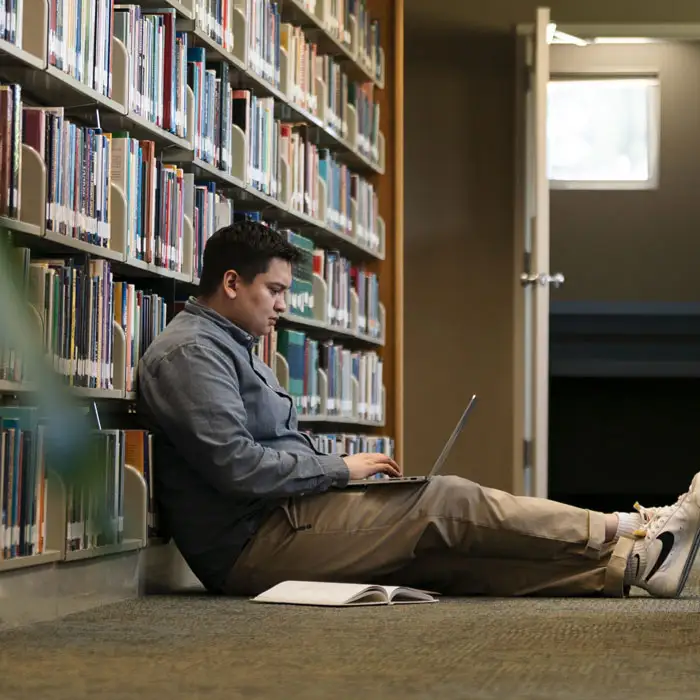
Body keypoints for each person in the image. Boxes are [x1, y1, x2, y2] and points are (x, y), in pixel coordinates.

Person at [137, 221, 700, 599]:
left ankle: (633, 567)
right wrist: (340, 471)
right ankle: (633, 526)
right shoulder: (189, 354)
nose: (284, 305)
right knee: (442, 501)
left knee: (446, 554)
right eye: (275, 290)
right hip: (253, 545)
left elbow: (267, 450)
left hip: (288, 518)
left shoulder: (230, 346)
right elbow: (236, 466)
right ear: (231, 283)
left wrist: (339, 473)